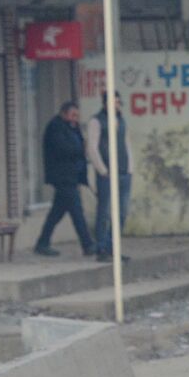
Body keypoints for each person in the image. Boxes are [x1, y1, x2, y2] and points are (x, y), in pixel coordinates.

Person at [33, 101, 95, 257]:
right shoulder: (56, 127)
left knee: (57, 212)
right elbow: (63, 149)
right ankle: (88, 245)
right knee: (77, 212)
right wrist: (82, 148)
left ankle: (42, 242)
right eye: (72, 115)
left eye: (77, 116)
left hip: (72, 176)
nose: (75, 119)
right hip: (63, 177)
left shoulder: (72, 127)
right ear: (64, 113)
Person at [86, 91, 134, 262]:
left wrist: (129, 168)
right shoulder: (96, 121)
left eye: (118, 101)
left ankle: (113, 246)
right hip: (107, 173)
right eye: (114, 102)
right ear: (106, 103)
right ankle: (101, 248)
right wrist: (102, 170)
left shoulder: (121, 120)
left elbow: (126, 143)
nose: (117, 105)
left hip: (123, 172)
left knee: (121, 213)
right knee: (104, 211)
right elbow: (92, 147)